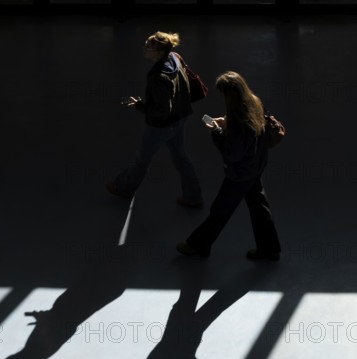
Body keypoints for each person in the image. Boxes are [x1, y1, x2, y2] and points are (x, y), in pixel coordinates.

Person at [176, 71, 281, 260]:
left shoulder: (239, 121)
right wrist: (225, 122)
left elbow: (233, 154)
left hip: (240, 174)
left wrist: (216, 132)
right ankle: (270, 249)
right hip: (256, 166)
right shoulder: (254, 102)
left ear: (229, 94)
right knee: (260, 209)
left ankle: (198, 245)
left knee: (220, 210)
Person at [106, 31, 203, 208]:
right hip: (180, 117)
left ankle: (124, 188)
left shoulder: (158, 77)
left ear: (158, 51)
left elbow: (161, 110)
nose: (145, 48)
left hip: (162, 126)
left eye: (148, 47)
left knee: (142, 159)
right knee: (182, 159)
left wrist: (139, 106)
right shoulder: (174, 57)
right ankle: (193, 196)